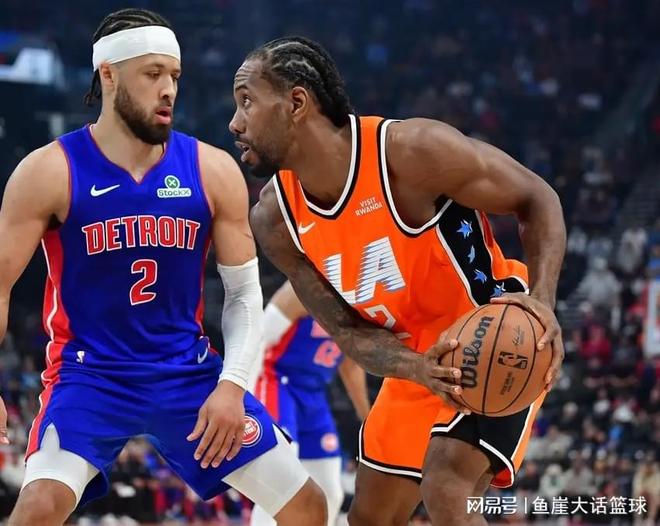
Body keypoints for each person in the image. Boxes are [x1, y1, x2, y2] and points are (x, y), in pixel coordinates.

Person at [0, 11, 326, 526]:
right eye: (152, 74)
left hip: (186, 371)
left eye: (174, 75)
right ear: (109, 74)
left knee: (308, 506)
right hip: (90, 375)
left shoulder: (212, 169)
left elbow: (244, 296)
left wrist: (232, 385)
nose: (168, 88)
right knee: (38, 507)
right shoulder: (48, 171)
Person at [230, 36, 566, 526]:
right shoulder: (274, 220)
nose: (235, 123)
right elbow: (347, 331)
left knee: (447, 489)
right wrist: (416, 367)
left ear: (297, 103)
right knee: (369, 517)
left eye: (246, 101)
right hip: (416, 362)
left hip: (492, 337)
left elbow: (537, 198)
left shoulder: (411, 152)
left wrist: (543, 301)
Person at [250, 280, 370, 526]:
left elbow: (351, 366)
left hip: (314, 394)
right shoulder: (303, 288)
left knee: (330, 490)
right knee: (279, 482)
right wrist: (242, 395)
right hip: (277, 383)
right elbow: (257, 339)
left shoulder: (362, 304)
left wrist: (368, 416)